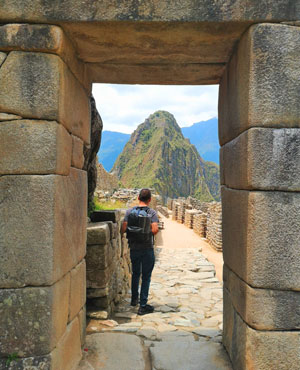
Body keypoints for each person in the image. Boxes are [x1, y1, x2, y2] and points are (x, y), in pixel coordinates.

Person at [121, 188, 159, 315]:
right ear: (149, 200)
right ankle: (143, 305)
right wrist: (145, 228)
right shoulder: (152, 213)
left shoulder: (129, 212)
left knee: (136, 274)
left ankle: (133, 300)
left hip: (134, 248)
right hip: (147, 248)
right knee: (146, 276)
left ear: (138, 198)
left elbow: (124, 228)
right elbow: (154, 230)